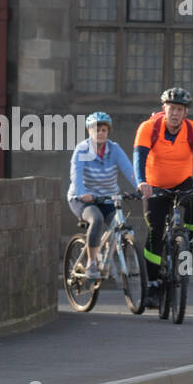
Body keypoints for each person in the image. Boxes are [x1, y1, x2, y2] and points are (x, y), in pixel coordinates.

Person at [134, 87, 193, 308]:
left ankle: (187, 242)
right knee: (155, 233)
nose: (174, 113)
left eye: (179, 109)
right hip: (154, 185)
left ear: (185, 113)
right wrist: (141, 181)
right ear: (164, 108)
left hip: (182, 181)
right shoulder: (149, 128)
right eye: (171, 108)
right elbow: (139, 156)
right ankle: (152, 284)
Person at [67, 112, 139, 280]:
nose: (100, 133)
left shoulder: (115, 149)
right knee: (97, 219)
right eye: (96, 129)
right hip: (82, 199)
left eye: (103, 130)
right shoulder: (82, 149)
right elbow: (75, 175)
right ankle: (92, 263)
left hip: (108, 197)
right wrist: (82, 192)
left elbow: (129, 170)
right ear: (89, 131)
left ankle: (108, 254)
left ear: (108, 132)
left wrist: (140, 186)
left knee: (121, 224)